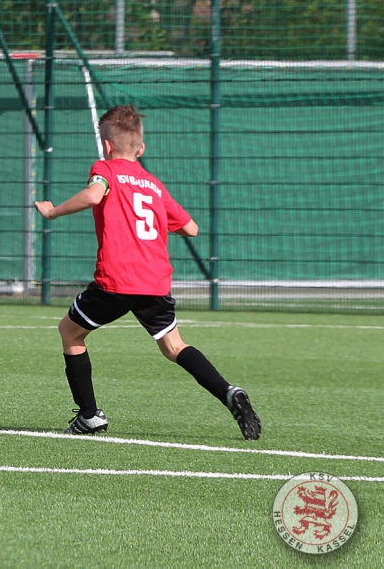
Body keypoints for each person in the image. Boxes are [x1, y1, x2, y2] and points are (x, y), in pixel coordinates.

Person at [34, 105, 260, 440]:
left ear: (107, 145)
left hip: (116, 279)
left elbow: (94, 195)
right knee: (174, 346)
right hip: (154, 281)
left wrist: (53, 212)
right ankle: (228, 392)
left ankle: (89, 416)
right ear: (140, 149)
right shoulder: (153, 185)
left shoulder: (104, 169)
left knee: (70, 332)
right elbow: (192, 228)